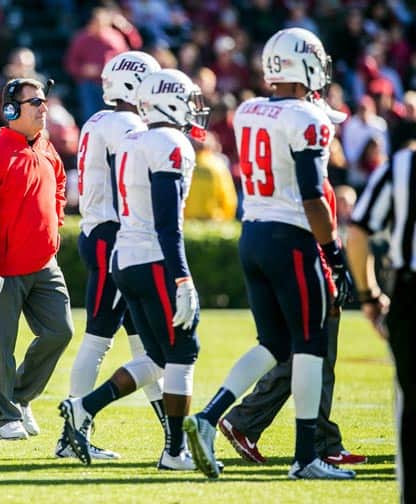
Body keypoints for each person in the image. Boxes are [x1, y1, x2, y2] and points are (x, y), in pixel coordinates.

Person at [183, 28, 356, 480]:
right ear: (307, 66)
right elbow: (313, 196)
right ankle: (305, 458)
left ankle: (207, 417)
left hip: (253, 234)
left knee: (273, 344)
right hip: (291, 239)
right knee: (310, 346)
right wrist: (333, 254)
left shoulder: (249, 110)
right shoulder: (307, 117)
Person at [60, 68, 209, 471]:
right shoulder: (167, 141)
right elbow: (168, 222)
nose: (195, 110)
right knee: (182, 351)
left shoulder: (127, 135)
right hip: (151, 257)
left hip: (122, 255)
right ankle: (175, 452)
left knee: (156, 355)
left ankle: (83, 408)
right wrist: (182, 276)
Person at [56, 50, 164, 461]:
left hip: (101, 232)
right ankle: (72, 434)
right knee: (99, 339)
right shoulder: (127, 124)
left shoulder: (100, 119)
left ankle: (171, 433)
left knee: (145, 347)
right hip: (116, 237)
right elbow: (130, 185)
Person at [219, 179, 366, 466]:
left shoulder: (287, 179)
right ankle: (322, 444)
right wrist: (331, 277)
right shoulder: (312, 181)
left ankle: (244, 422)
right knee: (315, 360)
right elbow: (314, 234)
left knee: (294, 358)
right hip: (307, 274)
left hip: (282, 264)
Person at [0, 77, 74, 440]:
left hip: (44, 264)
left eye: (43, 100)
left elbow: (58, 186)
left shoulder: (47, 148)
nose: (44, 107)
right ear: (11, 111)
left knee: (61, 331)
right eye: (34, 102)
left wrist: (55, 224)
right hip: (3, 269)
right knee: (2, 344)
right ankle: (5, 417)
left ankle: (21, 396)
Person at [347, 141, 416, 503]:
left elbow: (357, 235)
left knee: (412, 406)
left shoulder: (401, 167)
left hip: (410, 292)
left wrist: (369, 295)